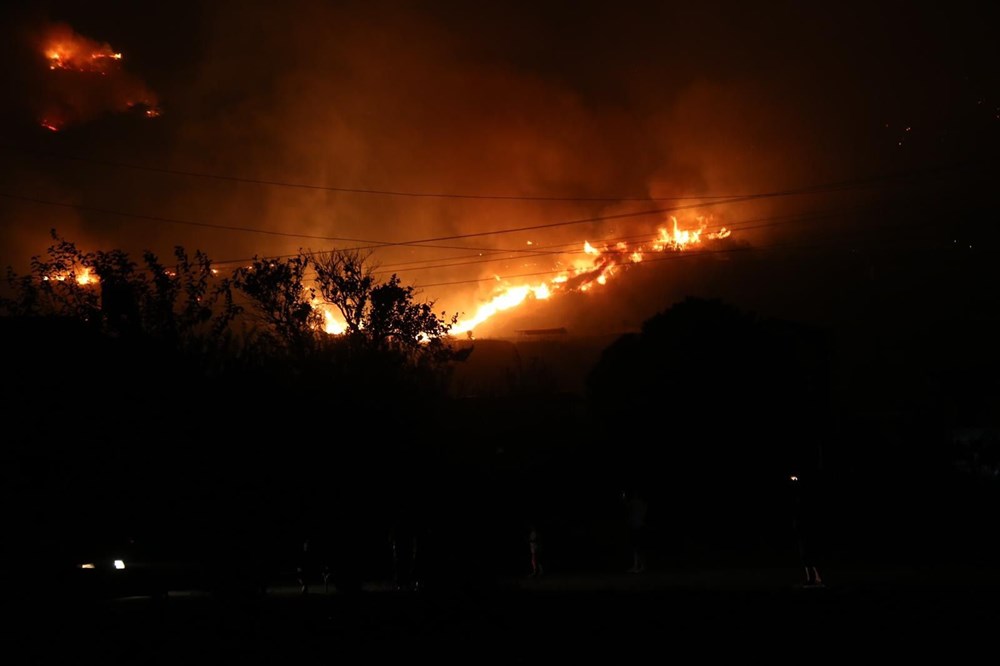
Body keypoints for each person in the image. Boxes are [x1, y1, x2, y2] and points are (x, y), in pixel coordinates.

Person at [790, 473, 825, 588]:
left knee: (808, 555)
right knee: (806, 556)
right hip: (802, 531)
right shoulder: (800, 503)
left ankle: (814, 578)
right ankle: (812, 578)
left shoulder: (804, 504)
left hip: (806, 531)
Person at [624, 489, 648, 573]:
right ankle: (638, 566)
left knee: (636, 547)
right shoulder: (643, 504)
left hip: (635, 526)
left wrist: (624, 499)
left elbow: (627, 508)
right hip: (640, 526)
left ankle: (640, 566)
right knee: (638, 547)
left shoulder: (634, 503)